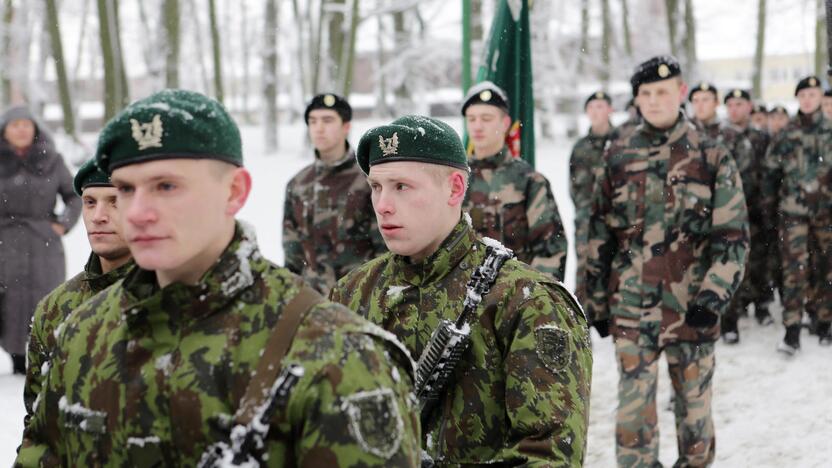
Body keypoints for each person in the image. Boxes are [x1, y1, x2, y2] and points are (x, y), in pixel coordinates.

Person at [16, 90, 420, 466]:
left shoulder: (336, 354)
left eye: (166, 186)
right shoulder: (82, 334)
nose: (137, 211)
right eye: (125, 188)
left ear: (234, 192)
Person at [330, 115, 592, 465]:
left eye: (401, 187)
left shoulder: (526, 301)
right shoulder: (352, 295)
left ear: (454, 188)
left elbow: (549, 454)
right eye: (377, 187)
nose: (383, 205)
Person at [586, 56, 749, 467]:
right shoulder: (617, 154)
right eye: (646, 93)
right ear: (636, 98)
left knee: (695, 419)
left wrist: (712, 296)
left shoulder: (711, 155)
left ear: (681, 93)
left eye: (663, 91)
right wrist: (597, 303)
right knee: (633, 419)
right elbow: (599, 233)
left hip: (692, 306)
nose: (654, 100)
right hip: (632, 308)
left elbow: (732, 237)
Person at [23, 158, 133, 427]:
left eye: (114, 201)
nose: (98, 216)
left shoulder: (175, 295)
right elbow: (38, 428)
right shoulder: (56, 307)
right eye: (90, 202)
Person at [0, 106, 80, 375]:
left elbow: (74, 195)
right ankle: (15, 356)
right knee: (7, 299)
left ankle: (41, 355)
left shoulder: (52, 160)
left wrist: (63, 223)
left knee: (45, 297)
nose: (21, 129)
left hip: (42, 242)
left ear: (35, 129)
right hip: (4, 241)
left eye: (26, 124)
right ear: (4, 131)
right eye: (15, 125)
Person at [461, 81, 568, 281]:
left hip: (514, 299)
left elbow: (551, 250)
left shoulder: (529, 181)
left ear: (504, 123)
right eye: (472, 119)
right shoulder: (455, 180)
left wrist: (533, 300)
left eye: (486, 118)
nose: (477, 126)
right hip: (459, 300)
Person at [283, 93, 385, 294]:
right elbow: (292, 255)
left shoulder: (369, 181)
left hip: (360, 299)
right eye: (313, 122)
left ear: (346, 126)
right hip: (312, 304)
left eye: (327, 120)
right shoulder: (298, 185)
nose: (319, 128)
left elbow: (384, 251)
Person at [764, 75, 832, 353]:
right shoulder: (786, 133)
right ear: (798, 99)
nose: (807, 100)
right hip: (793, 213)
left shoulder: (830, 130)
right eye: (802, 95)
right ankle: (792, 329)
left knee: (826, 266)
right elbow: (771, 171)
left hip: (826, 213)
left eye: (812, 95)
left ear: (820, 98)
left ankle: (825, 321)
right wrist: (768, 207)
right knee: (794, 270)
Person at [689, 82, 757, 343]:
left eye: (706, 99)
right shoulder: (684, 137)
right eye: (696, 99)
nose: (701, 104)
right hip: (693, 219)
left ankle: (730, 322)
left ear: (715, 103)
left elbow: (748, 177)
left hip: (726, 213)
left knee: (727, 263)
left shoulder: (731, 137)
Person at [724, 88, 778, 327]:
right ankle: (733, 313)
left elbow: (772, 173)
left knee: (761, 260)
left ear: (749, 107)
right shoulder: (719, 138)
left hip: (758, 209)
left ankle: (762, 307)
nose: (735, 109)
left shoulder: (762, 138)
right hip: (729, 213)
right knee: (731, 262)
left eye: (740, 104)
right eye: (731, 105)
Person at [570, 90, 617, 302]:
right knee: (585, 268)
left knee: (619, 266)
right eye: (591, 107)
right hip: (587, 219)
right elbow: (573, 187)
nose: (596, 111)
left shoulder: (622, 143)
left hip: (618, 217)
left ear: (610, 109)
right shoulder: (580, 147)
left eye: (600, 106)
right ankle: (583, 319)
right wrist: (585, 211)